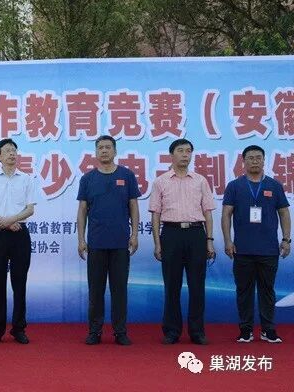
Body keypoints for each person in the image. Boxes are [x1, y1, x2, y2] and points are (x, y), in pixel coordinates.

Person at [149, 138, 216, 345]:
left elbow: (208, 212)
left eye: (188, 151)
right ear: (172, 155)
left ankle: (197, 331)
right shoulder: (160, 181)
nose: (185, 154)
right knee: (172, 286)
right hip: (171, 234)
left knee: (197, 286)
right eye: (180, 150)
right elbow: (155, 215)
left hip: (196, 234)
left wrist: (209, 240)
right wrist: (157, 243)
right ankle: (172, 331)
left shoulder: (200, 180)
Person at [222, 145, 290, 343]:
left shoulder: (274, 186)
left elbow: (284, 213)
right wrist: (228, 241)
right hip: (242, 249)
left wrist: (286, 239)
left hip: (269, 250)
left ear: (263, 160)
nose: (254, 161)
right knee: (244, 291)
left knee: (267, 291)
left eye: (258, 157)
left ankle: (268, 330)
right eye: (250, 158)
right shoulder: (234, 186)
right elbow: (226, 214)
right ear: (243, 162)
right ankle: (246, 330)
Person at [76, 135, 140, 345]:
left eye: (108, 147)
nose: (104, 150)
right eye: (100, 147)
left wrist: (134, 235)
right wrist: (81, 239)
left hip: (120, 243)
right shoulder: (88, 179)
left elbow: (133, 206)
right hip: (96, 243)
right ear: (96, 152)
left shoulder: (126, 175)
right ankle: (94, 331)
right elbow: (82, 210)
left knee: (119, 290)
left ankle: (120, 332)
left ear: (115, 151)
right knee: (96, 291)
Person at [0, 138, 37, 345]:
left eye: (14, 150)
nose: (12, 154)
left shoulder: (27, 179)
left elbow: (30, 209)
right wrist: (3, 222)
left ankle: (19, 328)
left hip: (20, 233)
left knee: (19, 283)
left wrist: (11, 220)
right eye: (7, 151)